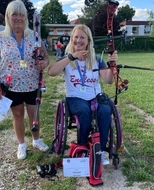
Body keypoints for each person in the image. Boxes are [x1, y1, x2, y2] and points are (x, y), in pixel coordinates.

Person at [48, 24, 118, 165]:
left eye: (82, 37)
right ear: (71, 39)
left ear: (88, 41)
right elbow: (51, 71)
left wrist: (112, 65)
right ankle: (83, 147)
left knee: (105, 110)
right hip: (75, 98)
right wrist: (72, 56)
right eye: (76, 37)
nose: (78, 40)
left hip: (95, 96)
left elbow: (109, 80)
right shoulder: (67, 58)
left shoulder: (97, 59)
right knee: (84, 111)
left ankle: (101, 150)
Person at [0, 0, 50, 160]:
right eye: (14, 14)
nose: (18, 18)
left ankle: (36, 140)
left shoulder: (34, 36)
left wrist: (44, 62)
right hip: (11, 85)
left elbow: (45, 56)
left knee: (34, 114)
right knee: (17, 115)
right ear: (8, 17)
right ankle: (21, 144)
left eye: (21, 14)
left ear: (26, 17)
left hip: (32, 84)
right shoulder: (0, 38)